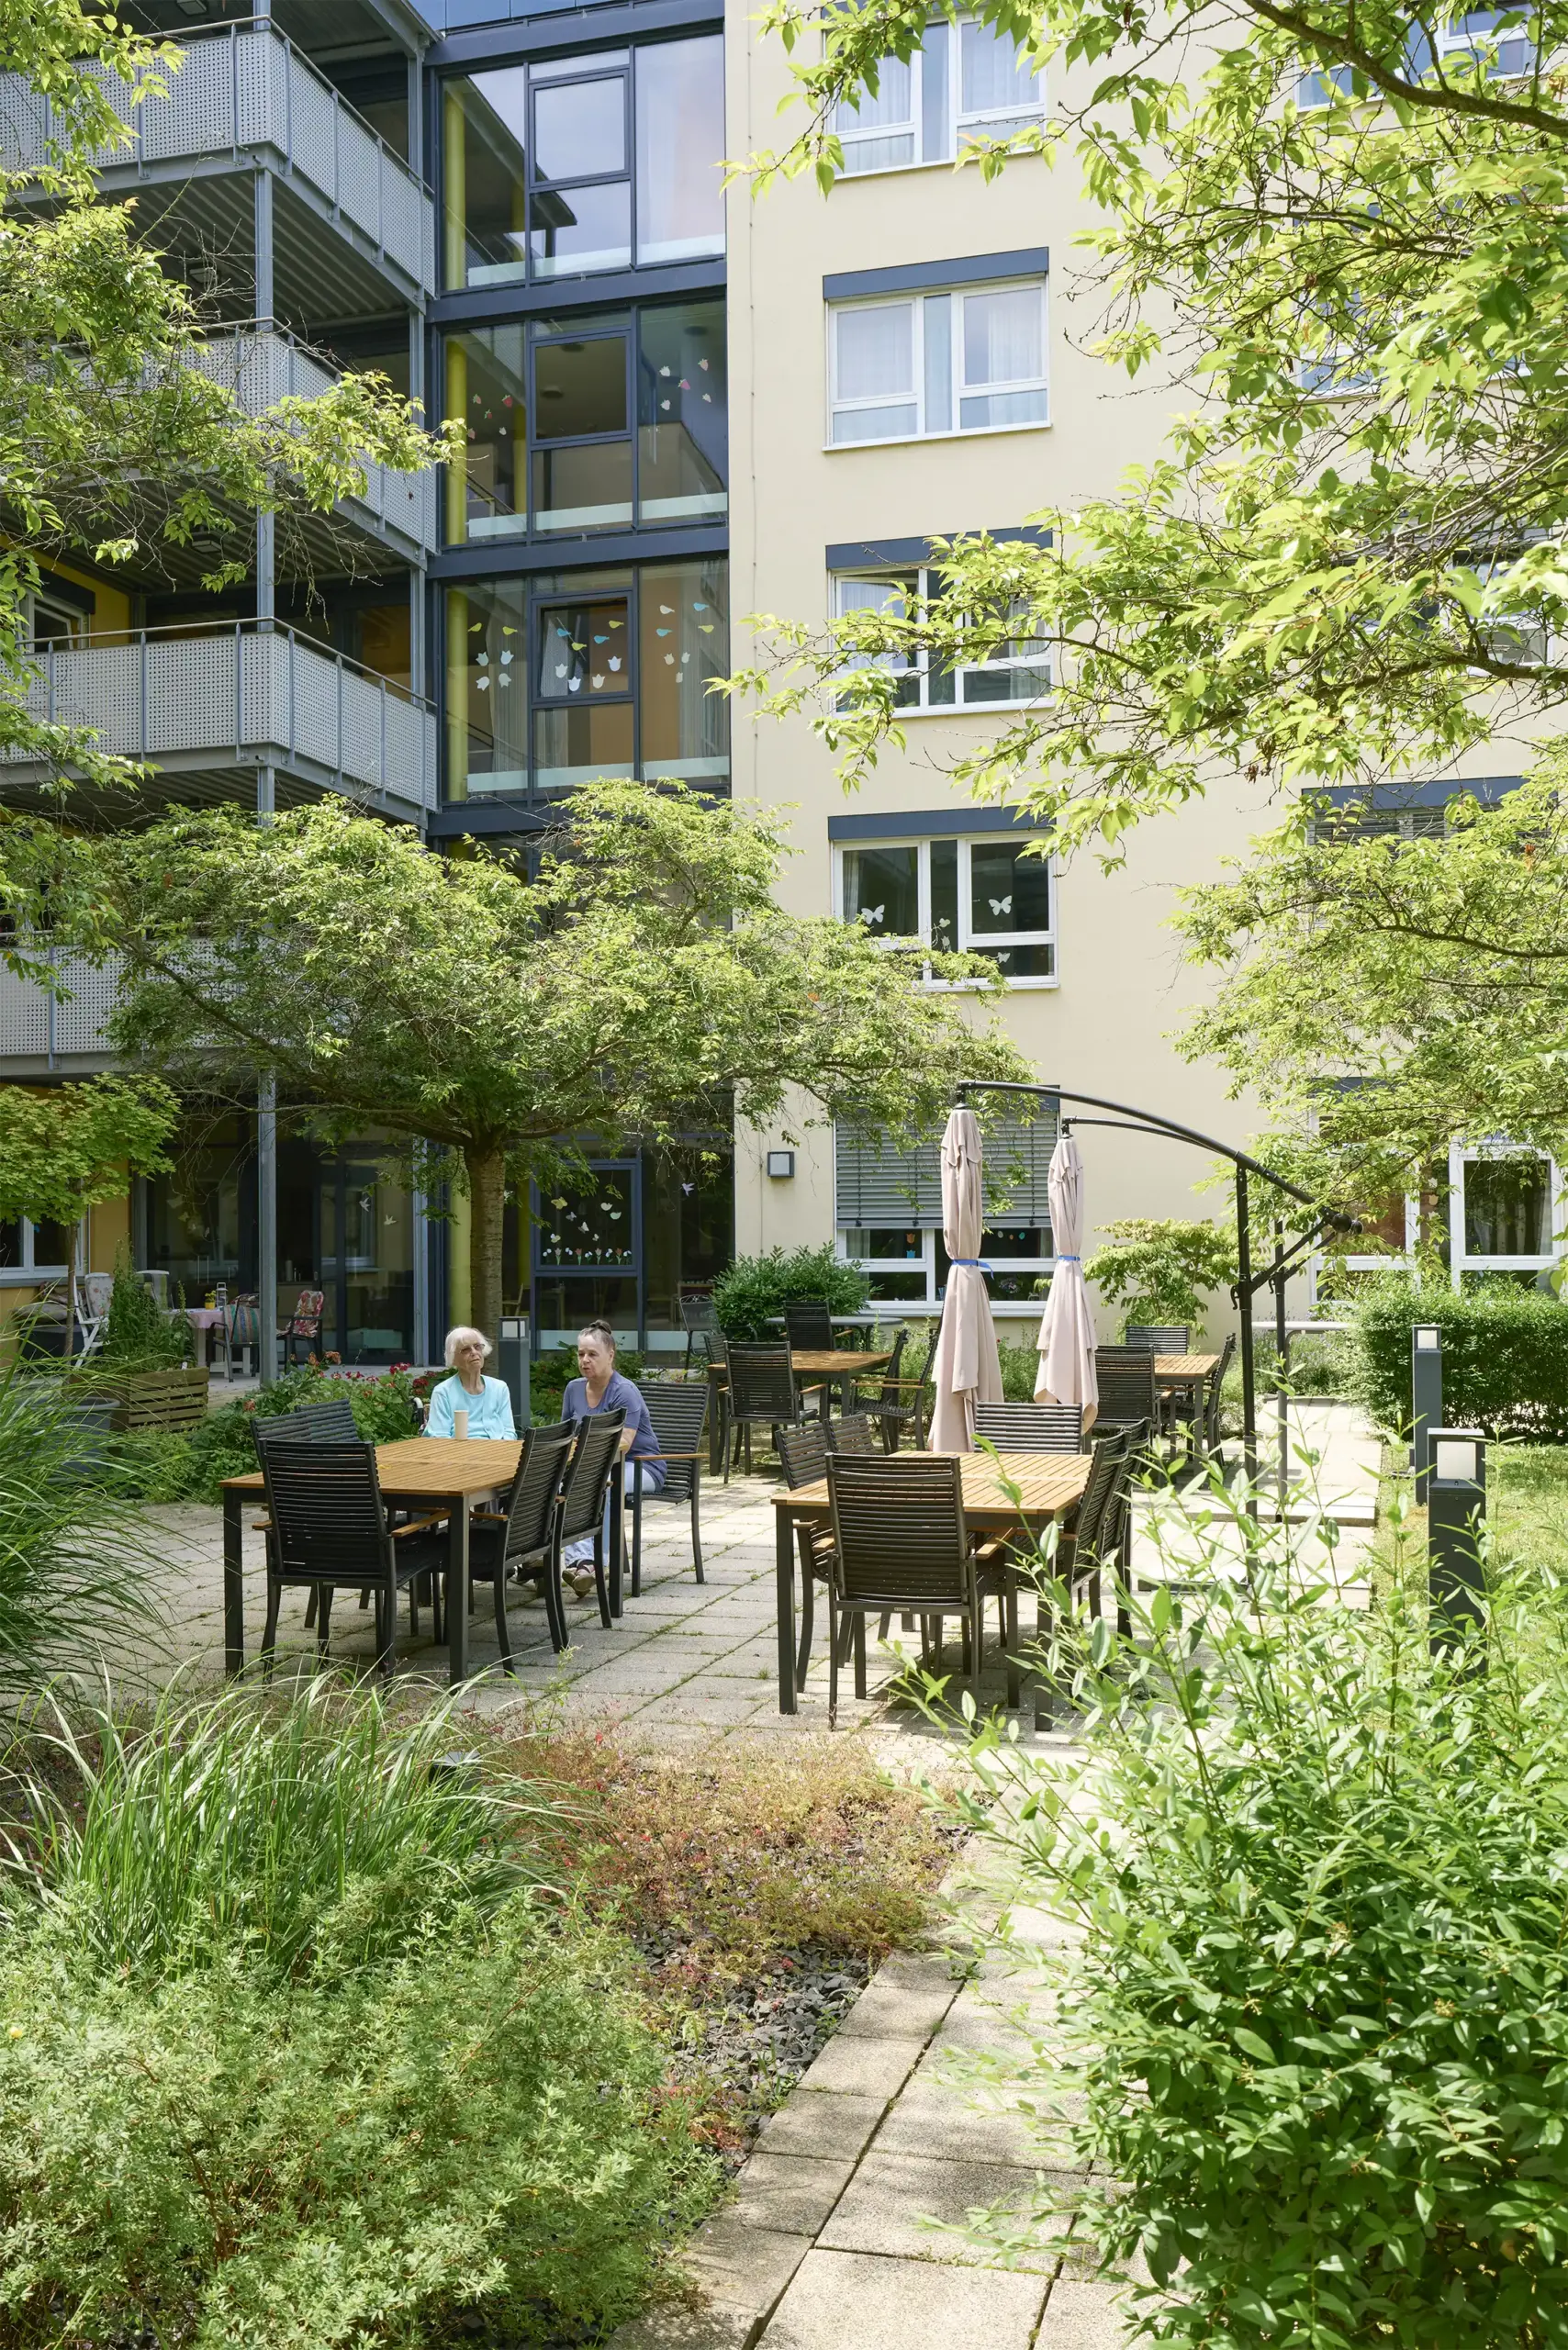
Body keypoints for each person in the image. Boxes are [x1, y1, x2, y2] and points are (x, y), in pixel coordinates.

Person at [559, 1320, 664, 1598]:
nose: (585, 1360)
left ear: (610, 1355)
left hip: (641, 1466)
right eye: (581, 1354)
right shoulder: (573, 1389)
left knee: (600, 1483)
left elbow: (624, 1443)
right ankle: (550, 1561)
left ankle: (591, 1562)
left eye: (592, 1354)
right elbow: (566, 1434)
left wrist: (585, 1457)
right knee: (554, 1485)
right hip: (592, 1466)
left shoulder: (624, 1391)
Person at [426, 1326, 517, 1440]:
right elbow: (440, 1436)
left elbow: (509, 1432)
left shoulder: (499, 1388)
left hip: (497, 1448)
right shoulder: (443, 1392)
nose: (474, 1352)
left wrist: (502, 1448)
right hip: (458, 1450)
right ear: (453, 1358)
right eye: (465, 1350)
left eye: (477, 1347)